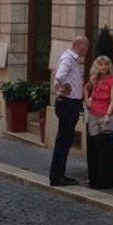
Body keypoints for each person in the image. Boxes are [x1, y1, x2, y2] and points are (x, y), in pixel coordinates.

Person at [48, 36, 88, 186]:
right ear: (81, 47)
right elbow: (59, 76)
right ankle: (57, 176)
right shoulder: (69, 59)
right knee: (64, 141)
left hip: (68, 103)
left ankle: (58, 174)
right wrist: (65, 87)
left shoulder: (70, 58)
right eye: (86, 48)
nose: (87, 51)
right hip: (68, 103)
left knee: (64, 140)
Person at [83, 56, 113, 137]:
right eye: (101, 64)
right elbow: (85, 88)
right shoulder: (94, 79)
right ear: (96, 66)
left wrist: (107, 115)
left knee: (105, 141)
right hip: (93, 114)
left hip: (106, 114)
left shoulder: (112, 81)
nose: (104, 67)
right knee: (94, 140)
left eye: (106, 64)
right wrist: (87, 101)